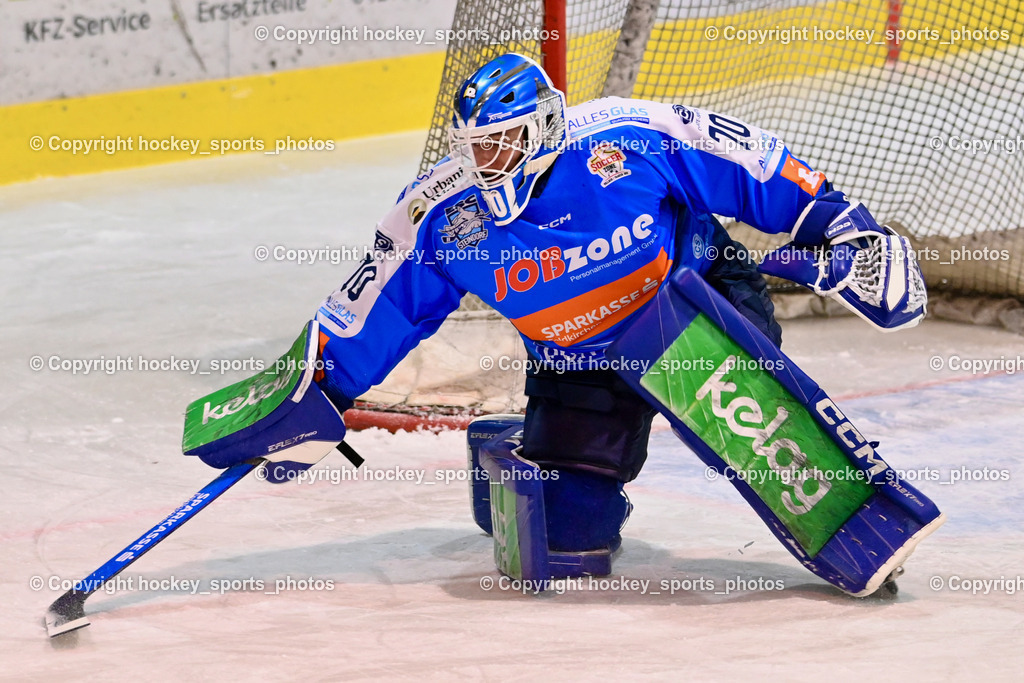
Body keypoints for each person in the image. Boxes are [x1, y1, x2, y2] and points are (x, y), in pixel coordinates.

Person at [186, 52, 933, 595]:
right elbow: (370, 310)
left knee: (723, 382)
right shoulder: (440, 213)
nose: (487, 162)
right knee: (565, 548)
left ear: (543, 125)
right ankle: (509, 449)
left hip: (697, 308)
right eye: (475, 147)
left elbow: (757, 167)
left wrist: (845, 229)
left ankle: (839, 496)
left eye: (502, 142)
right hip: (578, 361)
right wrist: (311, 393)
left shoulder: (631, 135)